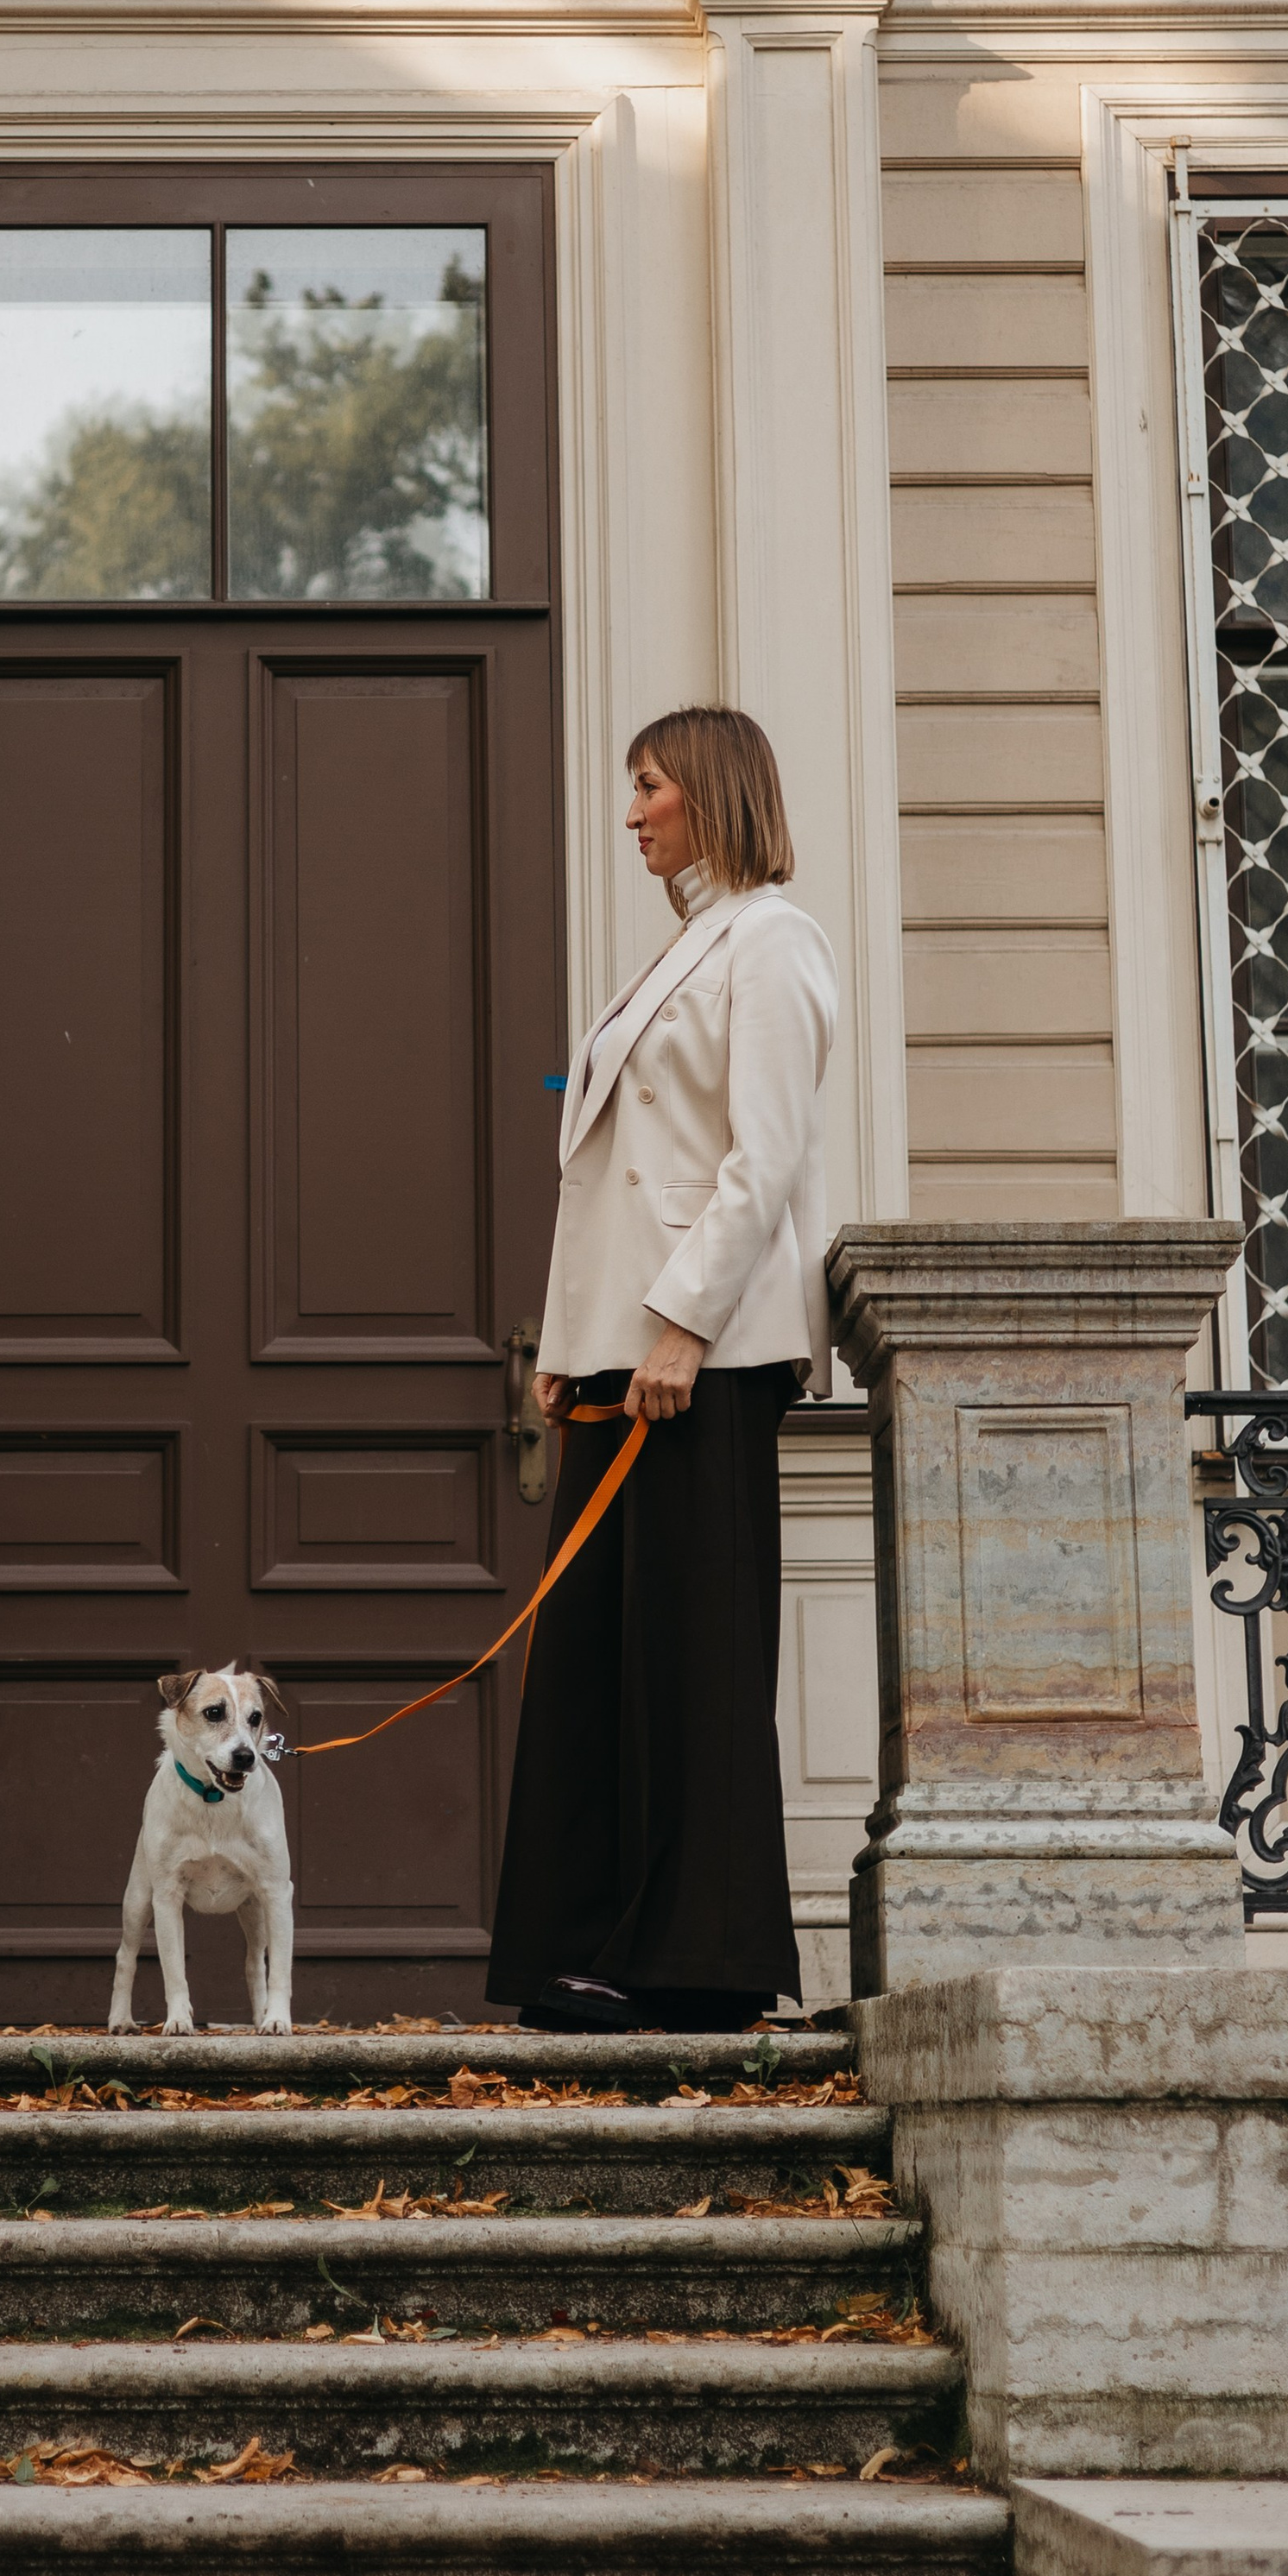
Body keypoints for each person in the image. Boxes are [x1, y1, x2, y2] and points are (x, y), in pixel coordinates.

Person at [486, 706, 836, 2034]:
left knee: (691, 1664)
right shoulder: (682, 952)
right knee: (600, 1664)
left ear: (712, 792)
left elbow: (765, 1160)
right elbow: (611, 1182)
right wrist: (570, 1344)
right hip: (623, 1365)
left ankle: (704, 1962)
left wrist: (681, 1322)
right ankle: (592, 1947)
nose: (631, 813)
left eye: (650, 787)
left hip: (702, 1366)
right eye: (631, 789)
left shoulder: (771, 941)